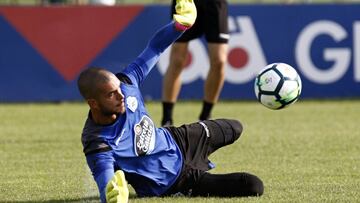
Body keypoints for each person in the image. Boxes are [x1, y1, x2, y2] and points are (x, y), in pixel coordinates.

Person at [77, 0, 263, 202]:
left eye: (118, 89)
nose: (120, 95)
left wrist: (178, 27)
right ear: (93, 103)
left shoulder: (127, 83)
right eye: (111, 94)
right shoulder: (97, 141)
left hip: (179, 140)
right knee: (253, 185)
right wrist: (111, 195)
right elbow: (105, 179)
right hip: (174, 181)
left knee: (234, 127)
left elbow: (154, 48)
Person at [161, 0, 229, 126]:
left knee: (219, 61)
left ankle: (205, 117)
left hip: (215, 4)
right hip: (187, 2)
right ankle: (167, 120)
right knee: (177, 60)